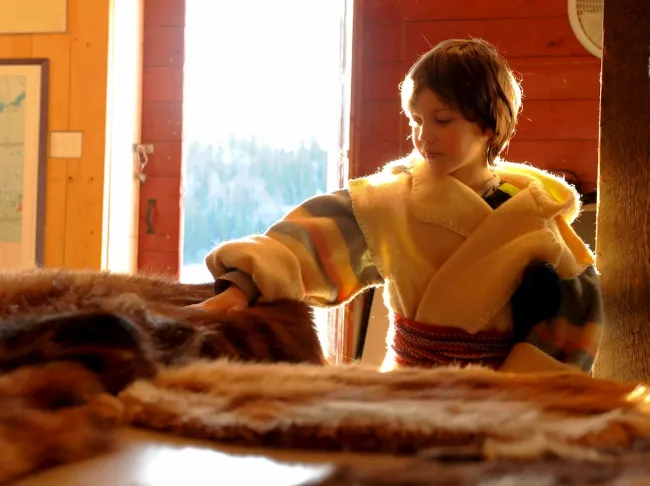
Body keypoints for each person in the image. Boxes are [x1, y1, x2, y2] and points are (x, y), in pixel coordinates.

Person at [191, 38, 603, 374]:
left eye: (442, 120)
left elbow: (576, 313)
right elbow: (311, 241)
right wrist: (243, 284)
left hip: (499, 403)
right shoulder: (390, 203)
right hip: (407, 391)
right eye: (416, 120)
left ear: (489, 126)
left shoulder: (532, 217)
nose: (424, 136)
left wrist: (518, 393)